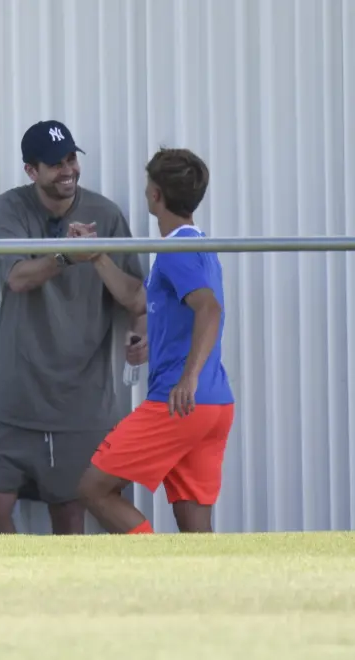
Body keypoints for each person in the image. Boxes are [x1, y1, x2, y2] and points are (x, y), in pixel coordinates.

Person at [0, 120, 146, 535]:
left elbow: (139, 294)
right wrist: (66, 255)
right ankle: (12, 588)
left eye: (70, 159)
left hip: (81, 396)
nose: (67, 170)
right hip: (18, 391)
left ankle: (60, 596)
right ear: (31, 171)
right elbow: (16, 278)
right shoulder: (10, 207)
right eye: (54, 164)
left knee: (69, 509)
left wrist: (142, 331)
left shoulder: (105, 213)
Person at [77, 147, 234, 534]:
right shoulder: (192, 246)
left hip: (178, 402)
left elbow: (209, 310)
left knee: (93, 489)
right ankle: (209, 592)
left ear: (155, 194)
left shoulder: (176, 250)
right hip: (213, 407)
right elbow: (136, 299)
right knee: (195, 528)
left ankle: (154, 568)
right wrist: (98, 256)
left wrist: (188, 378)